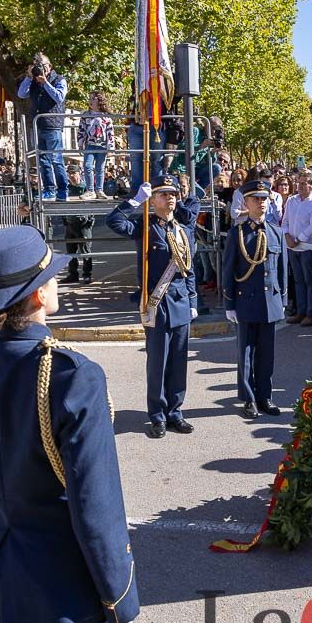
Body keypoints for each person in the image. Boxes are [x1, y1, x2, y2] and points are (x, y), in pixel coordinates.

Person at [0, 226, 139, 623]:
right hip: (62, 581)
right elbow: (95, 500)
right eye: (49, 277)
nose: (56, 284)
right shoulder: (72, 374)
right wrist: (118, 595)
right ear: (34, 298)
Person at [106, 176, 199, 437]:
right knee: (157, 363)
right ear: (153, 199)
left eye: (173, 194)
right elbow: (113, 222)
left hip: (180, 303)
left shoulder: (184, 229)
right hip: (156, 304)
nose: (170, 197)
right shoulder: (145, 227)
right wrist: (135, 201)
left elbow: (188, 269)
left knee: (179, 362)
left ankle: (175, 412)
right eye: (163, 194)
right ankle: (157, 415)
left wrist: (193, 301)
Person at [223, 180, 287, 418]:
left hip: (270, 301)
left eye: (264, 199)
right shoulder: (237, 234)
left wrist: (283, 300)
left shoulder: (276, 232)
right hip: (246, 300)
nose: (261, 203)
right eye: (256, 199)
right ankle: (248, 398)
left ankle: (265, 396)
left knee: (266, 353)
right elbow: (229, 270)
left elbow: (281, 270)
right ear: (246, 203)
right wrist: (229, 303)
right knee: (246, 353)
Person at [17, 52, 70, 201]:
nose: (40, 68)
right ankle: (49, 190)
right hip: (37, 125)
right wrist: (29, 77)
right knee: (43, 160)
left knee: (56, 159)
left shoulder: (59, 79)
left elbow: (59, 97)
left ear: (50, 66)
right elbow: (21, 94)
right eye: (37, 66)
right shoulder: (32, 81)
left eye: (42, 65)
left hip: (52, 126)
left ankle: (62, 191)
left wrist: (45, 82)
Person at [283, 171, 312, 326]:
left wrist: (299, 239)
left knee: (309, 281)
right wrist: (287, 237)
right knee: (298, 280)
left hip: (307, 248)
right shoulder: (292, 201)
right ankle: (301, 311)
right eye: (299, 183)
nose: (299, 186)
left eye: (303, 183)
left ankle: (311, 313)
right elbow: (285, 221)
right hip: (292, 247)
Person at [78, 91, 115, 199]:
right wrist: (80, 143)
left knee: (100, 168)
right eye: (89, 99)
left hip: (102, 145)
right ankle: (90, 190)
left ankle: (99, 190)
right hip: (90, 144)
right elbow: (81, 130)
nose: (90, 101)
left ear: (99, 101)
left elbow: (110, 132)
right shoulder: (86, 115)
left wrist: (110, 147)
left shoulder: (106, 117)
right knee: (87, 166)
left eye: (92, 99)